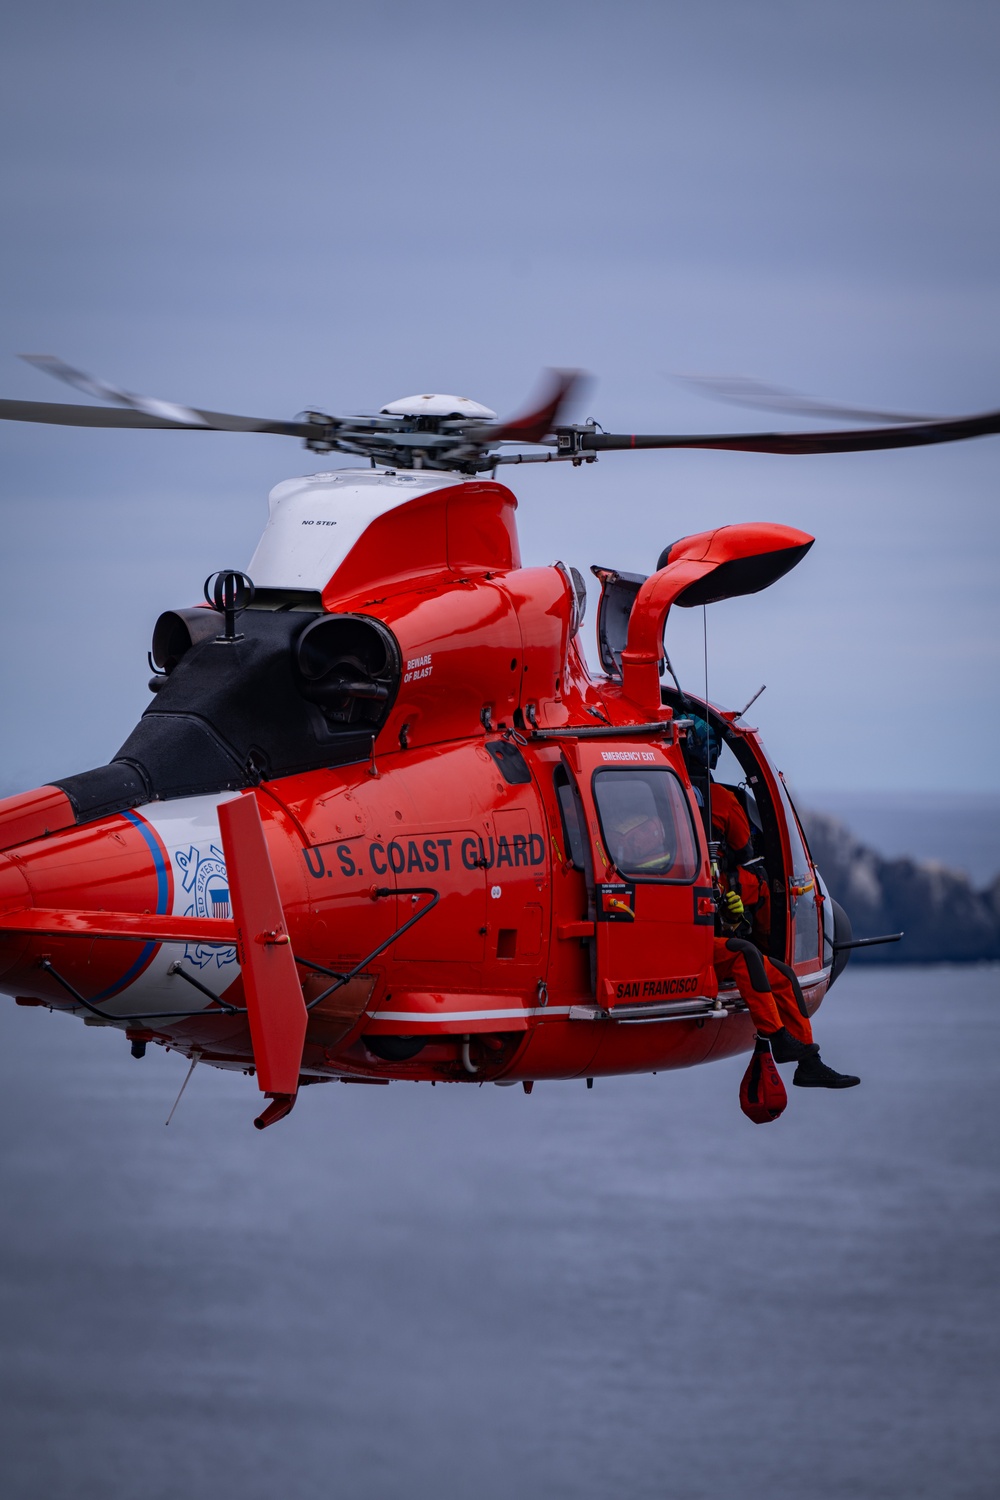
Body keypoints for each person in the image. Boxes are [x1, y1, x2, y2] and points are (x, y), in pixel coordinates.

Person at [684, 715, 859, 1090]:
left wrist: (730, 901)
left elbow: (743, 870)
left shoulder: (677, 802)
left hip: (697, 926)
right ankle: (778, 1037)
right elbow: (747, 858)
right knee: (747, 955)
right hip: (677, 935)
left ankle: (809, 1060)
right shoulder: (723, 803)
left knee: (780, 974)